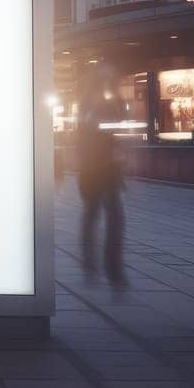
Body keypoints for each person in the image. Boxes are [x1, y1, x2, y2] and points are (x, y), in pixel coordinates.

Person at [76, 73, 127, 288]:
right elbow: (102, 134)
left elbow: (116, 130)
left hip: (102, 172)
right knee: (99, 216)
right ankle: (103, 265)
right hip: (96, 172)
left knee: (103, 217)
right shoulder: (88, 109)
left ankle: (104, 265)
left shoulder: (93, 107)